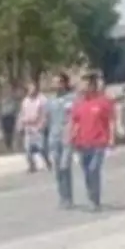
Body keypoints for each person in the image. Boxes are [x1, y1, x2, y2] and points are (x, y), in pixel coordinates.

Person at [68, 73, 116, 211]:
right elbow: (75, 122)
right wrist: (72, 137)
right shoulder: (79, 104)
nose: (83, 88)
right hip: (82, 143)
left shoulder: (103, 102)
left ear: (93, 86)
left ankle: (95, 200)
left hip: (99, 142)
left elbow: (111, 121)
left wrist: (112, 138)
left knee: (94, 169)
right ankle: (92, 197)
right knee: (87, 172)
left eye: (86, 85)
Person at [43, 72, 77, 209]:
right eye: (54, 82)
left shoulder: (72, 99)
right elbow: (47, 119)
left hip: (67, 136)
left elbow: (76, 117)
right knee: (57, 168)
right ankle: (62, 197)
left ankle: (68, 197)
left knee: (65, 166)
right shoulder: (50, 101)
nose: (56, 85)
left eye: (58, 82)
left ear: (64, 83)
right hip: (54, 136)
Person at [19, 82, 48, 173]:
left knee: (41, 148)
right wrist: (21, 125)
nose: (31, 91)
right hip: (28, 128)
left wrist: (42, 125)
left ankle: (47, 162)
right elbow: (22, 114)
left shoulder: (42, 100)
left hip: (38, 128)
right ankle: (32, 166)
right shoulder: (25, 101)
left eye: (33, 89)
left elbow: (45, 114)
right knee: (27, 149)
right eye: (29, 89)